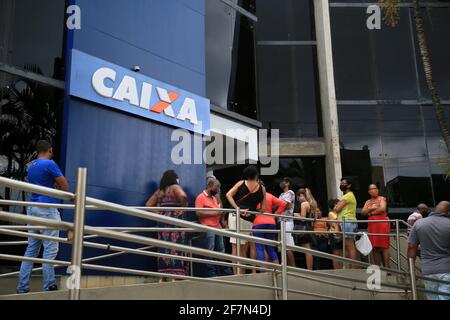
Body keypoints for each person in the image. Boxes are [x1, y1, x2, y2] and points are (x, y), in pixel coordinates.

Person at [17, 140, 69, 294]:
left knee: (31, 249)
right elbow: (65, 186)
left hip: (33, 208)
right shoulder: (50, 164)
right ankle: (49, 286)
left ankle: (22, 287)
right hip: (47, 209)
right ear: (50, 150)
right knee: (50, 250)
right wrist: (55, 185)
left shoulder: (31, 166)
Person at [146, 170, 188, 282]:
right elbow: (183, 196)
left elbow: (149, 204)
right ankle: (176, 276)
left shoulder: (160, 191)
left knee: (163, 247)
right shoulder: (175, 187)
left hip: (162, 221)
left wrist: (158, 213)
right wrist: (182, 209)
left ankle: (163, 277)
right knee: (176, 246)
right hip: (174, 220)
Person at [226, 165, 266, 274]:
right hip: (249, 219)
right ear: (257, 175)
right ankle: (242, 274)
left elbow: (228, 194)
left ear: (246, 175)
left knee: (235, 246)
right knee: (244, 247)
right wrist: (252, 212)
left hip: (235, 215)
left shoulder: (240, 183)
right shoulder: (262, 188)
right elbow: (263, 208)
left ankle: (236, 274)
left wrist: (237, 208)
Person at [408, 201, 450, 300]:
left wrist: (411, 270)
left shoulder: (419, 223)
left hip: (428, 271)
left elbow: (411, 247)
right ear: (448, 212)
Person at [195, 178, 232, 277]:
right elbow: (198, 213)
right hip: (208, 227)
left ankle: (225, 271)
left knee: (221, 250)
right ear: (210, 186)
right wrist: (215, 212)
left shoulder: (214, 198)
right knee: (210, 250)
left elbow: (218, 210)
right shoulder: (200, 197)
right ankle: (211, 272)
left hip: (217, 227)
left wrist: (220, 215)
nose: (218, 190)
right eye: (216, 187)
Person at [252, 190, 287, 265]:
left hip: (258, 222)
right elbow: (283, 203)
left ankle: (263, 273)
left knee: (259, 247)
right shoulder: (269, 195)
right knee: (271, 248)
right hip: (271, 222)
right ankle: (278, 271)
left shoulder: (254, 195)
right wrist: (275, 215)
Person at [362, 184, 390, 268]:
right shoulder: (367, 202)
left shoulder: (382, 198)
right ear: (369, 192)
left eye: (375, 188)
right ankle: (377, 267)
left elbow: (382, 208)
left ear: (377, 190)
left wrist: (370, 212)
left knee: (384, 246)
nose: (373, 190)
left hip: (382, 224)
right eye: (371, 189)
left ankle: (387, 268)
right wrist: (370, 208)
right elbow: (363, 212)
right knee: (374, 247)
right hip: (372, 225)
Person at [334, 177, 358, 269]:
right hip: (348, 222)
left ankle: (353, 268)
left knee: (350, 246)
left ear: (349, 185)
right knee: (348, 246)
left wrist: (337, 206)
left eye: (344, 183)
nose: (341, 184)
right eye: (341, 183)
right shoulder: (350, 195)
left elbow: (337, 209)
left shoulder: (347, 196)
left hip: (348, 221)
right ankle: (349, 267)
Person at [294, 188, 317, 270]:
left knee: (307, 249)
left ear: (303, 196)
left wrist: (296, 215)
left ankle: (309, 269)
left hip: (304, 228)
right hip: (309, 227)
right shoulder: (312, 204)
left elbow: (303, 218)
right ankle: (310, 268)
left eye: (299, 196)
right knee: (308, 249)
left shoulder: (304, 204)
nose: (299, 198)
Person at [279, 177, 296, 267]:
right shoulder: (281, 194)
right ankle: (287, 267)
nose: (282, 183)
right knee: (283, 246)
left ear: (288, 183)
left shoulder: (290, 192)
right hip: (281, 221)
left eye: (284, 182)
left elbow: (286, 205)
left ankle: (293, 267)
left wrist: (279, 206)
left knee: (288, 245)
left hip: (287, 221)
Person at [328, 199, 343, 269]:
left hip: (340, 234)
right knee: (336, 254)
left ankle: (341, 269)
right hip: (334, 235)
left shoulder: (340, 213)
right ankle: (337, 270)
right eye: (337, 204)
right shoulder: (331, 213)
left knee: (340, 253)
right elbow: (334, 224)